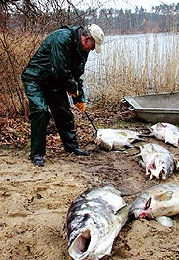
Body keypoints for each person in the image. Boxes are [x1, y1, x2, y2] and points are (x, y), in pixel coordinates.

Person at [21, 24, 104, 167]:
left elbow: (76, 74)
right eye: (92, 46)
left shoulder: (83, 50)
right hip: (35, 78)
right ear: (88, 39)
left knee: (64, 113)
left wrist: (79, 97)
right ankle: (37, 154)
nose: (91, 50)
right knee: (40, 111)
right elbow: (60, 70)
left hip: (54, 82)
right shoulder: (62, 38)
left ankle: (72, 147)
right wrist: (73, 89)